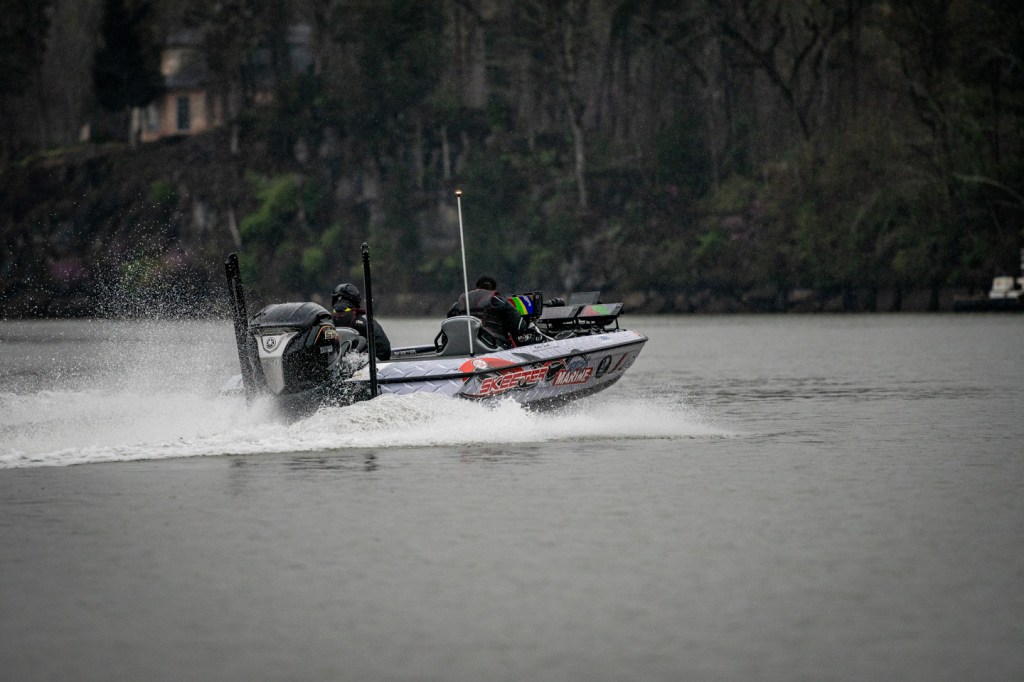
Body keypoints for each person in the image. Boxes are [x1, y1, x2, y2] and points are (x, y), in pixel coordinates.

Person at [447, 275, 527, 346]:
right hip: (493, 344)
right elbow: (520, 327)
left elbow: (449, 327)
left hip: (464, 345)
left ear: (477, 287)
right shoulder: (498, 300)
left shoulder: (459, 302)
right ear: (494, 289)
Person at [331, 282, 391, 360]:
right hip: (357, 364)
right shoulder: (366, 322)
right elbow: (384, 350)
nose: (340, 315)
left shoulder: (327, 321)